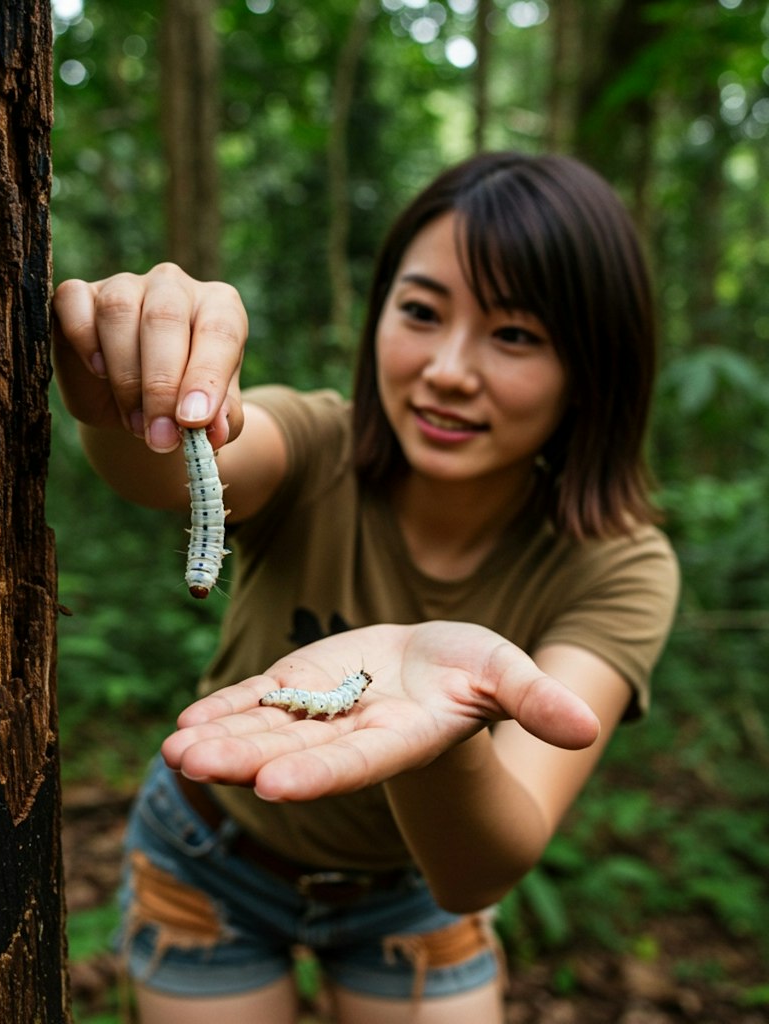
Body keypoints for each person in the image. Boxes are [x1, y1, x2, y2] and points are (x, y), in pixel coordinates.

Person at [52, 151, 680, 1024]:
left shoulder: (620, 565)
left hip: (415, 894)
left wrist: (446, 732)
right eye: (422, 311)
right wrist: (120, 391)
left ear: (594, 368)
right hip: (211, 849)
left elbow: (479, 872)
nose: (451, 369)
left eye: (516, 335)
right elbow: (165, 469)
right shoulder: (312, 445)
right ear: (379, 308)